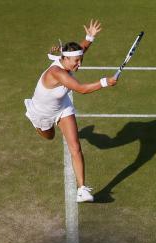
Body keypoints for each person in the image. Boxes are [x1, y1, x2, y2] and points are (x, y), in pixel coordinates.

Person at [24, 19, 117, 202]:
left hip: (62, 106)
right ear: (65, 59)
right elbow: (81, 89)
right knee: (49, 137)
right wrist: (104, 82)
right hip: (42, 113)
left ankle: (81, 189)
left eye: (80, 60)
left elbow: (82, 48)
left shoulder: (70, 58)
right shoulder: (56, 73)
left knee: (75, 147)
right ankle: (37, 124)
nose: (79, 65)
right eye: (76, 61)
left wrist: (89, 37)